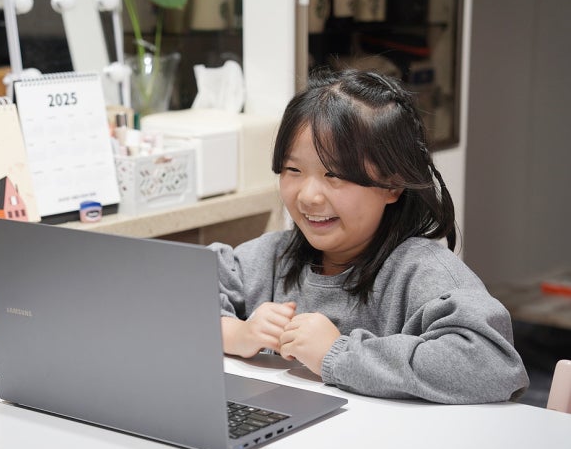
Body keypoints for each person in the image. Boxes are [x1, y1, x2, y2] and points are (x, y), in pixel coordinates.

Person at [211, 68, 529, 404]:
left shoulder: (423, 272)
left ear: (392, 184)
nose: (308, 196)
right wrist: (235, 333)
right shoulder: (271, 257)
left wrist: (337, 353)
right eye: (293, 170)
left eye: (335, 174)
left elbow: (492, 364)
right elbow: (183, 298)